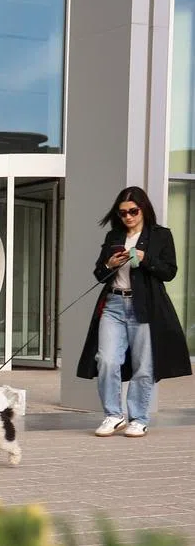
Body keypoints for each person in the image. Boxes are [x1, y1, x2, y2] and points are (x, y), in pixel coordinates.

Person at [76, 186, 191, 437]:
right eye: (122, 213)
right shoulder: (114, 236)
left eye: (133, 211)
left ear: (143, 209)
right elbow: (99, 274)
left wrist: (144, 258)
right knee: (106, 360)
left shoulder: (160, 235)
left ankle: (139, 418)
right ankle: (113, 415)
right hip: (114, 305)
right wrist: (109, 264)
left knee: (144, 365)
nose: (128, 216)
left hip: (145, 306)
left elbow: (169, 272)